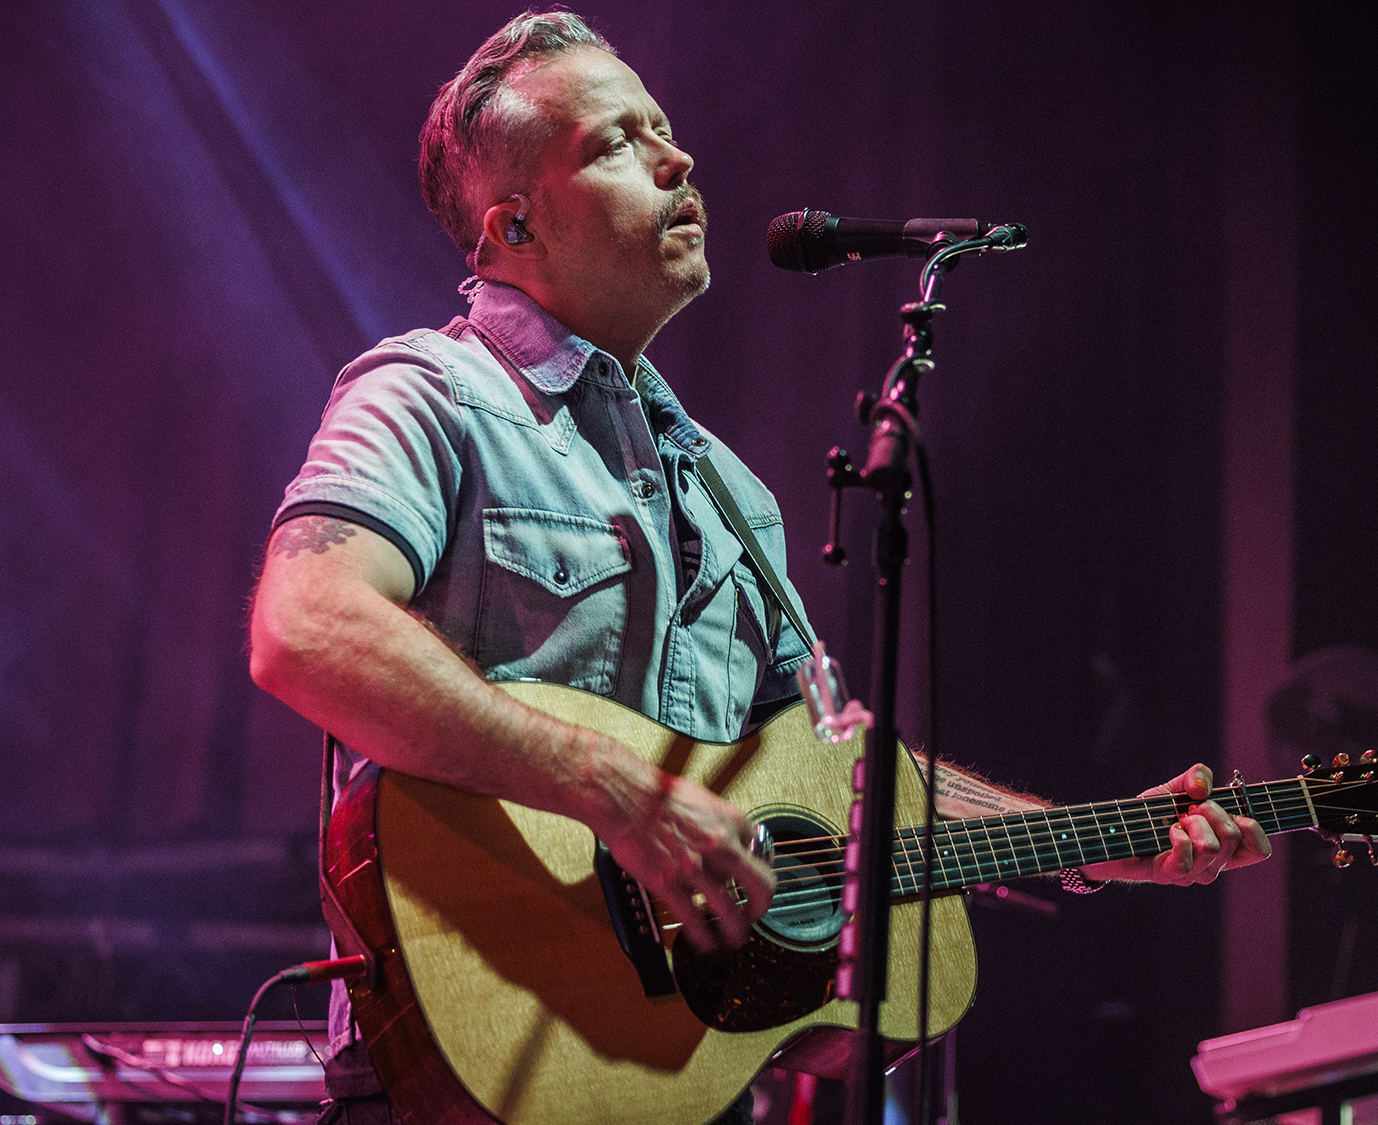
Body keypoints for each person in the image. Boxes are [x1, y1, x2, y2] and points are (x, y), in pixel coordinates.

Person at [246, 11, 1269, 1124]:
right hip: (470, 1066)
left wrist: (1094, 837)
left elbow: (837, 787)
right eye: (616, 142)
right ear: (515, 227)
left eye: (664, 127)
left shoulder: (732, 490)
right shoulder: (428, 395)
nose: (678, 160)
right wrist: (615, 790)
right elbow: (307, 625)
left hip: (677, 1082)